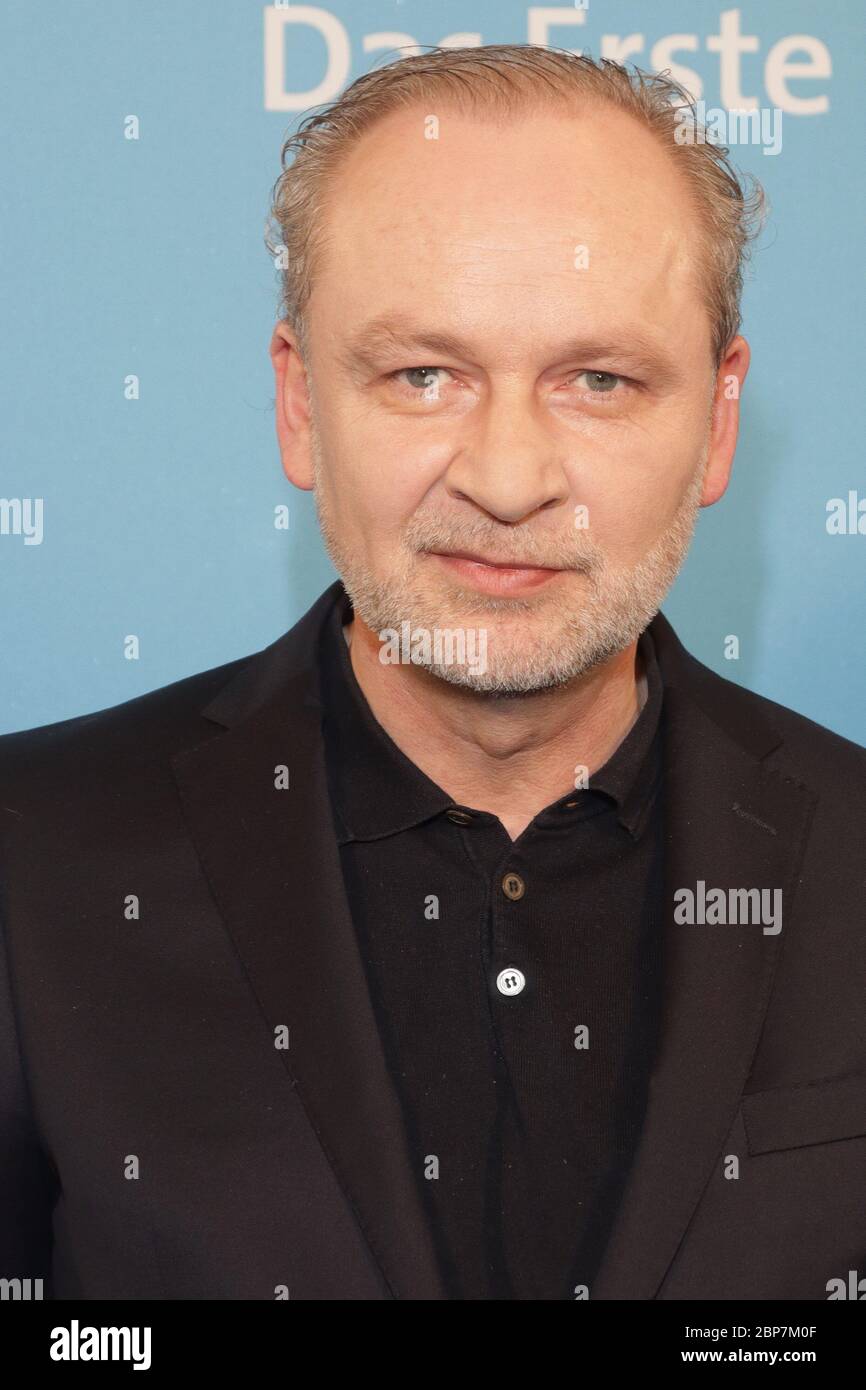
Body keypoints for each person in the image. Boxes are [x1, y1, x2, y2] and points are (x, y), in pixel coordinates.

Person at [2, 45, 865, 1302]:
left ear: (717, 422)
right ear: (300, 405)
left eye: (597, 381)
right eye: (422, 375)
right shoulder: (32, 855)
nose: (506, 478)